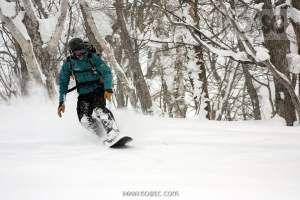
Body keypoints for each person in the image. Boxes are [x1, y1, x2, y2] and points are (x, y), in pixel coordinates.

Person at [57, 38, 119, 141]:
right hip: (83, 93)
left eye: (82, 51)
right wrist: (61, 102)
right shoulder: (69, 64)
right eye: (77, 52)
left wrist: (108, 88)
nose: (80, 54)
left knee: (99, 109)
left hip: (97, 89)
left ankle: (112, 132)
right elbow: (63, 83)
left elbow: (107, 72)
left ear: (85, 49)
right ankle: (102, 134)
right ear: (72, 52)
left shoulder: (92, 58)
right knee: (84, 120)